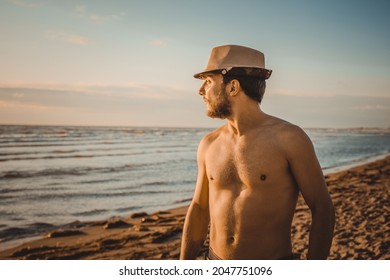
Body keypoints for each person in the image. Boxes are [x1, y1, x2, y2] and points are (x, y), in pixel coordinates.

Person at [180, 45, 335, 260]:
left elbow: (322, 208)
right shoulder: (209, 144)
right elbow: (198, 208)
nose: (201, 91)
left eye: (208, 81)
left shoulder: (289, 139)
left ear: (233, 87)